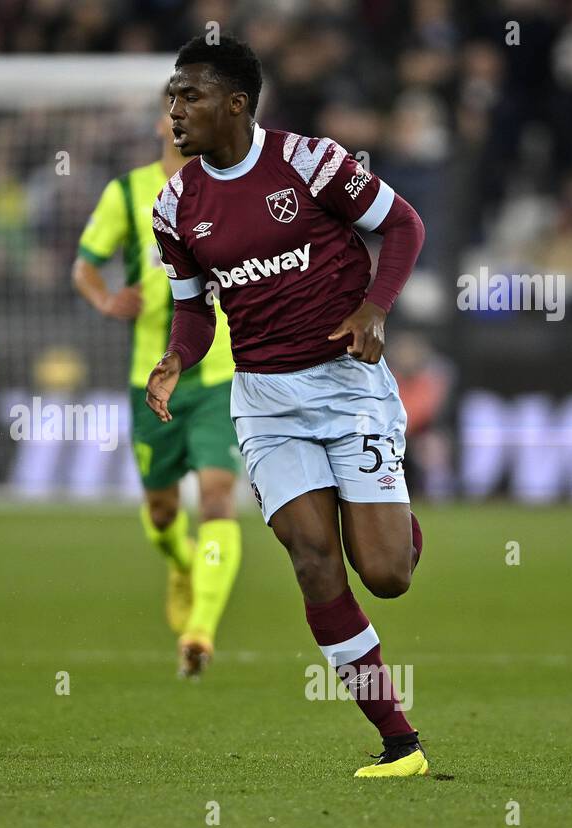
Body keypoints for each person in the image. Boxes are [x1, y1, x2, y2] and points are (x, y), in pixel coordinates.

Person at [146, 35, 429, 776]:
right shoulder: (177, 206)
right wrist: (178, 356)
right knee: (313, 561)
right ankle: (400, 743)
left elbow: (404, 226)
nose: (175, 111)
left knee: (387, 574)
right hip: (266, 401)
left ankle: (394, 523)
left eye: (190, 96)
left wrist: (375, 307)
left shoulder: (311, 163)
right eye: (171, 97)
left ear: (236, 104)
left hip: (347, 384)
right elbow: (194, 310)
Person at [73, 108, 242, 678]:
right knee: (163, 510)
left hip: (218, 373)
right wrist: (105, 300)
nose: (181, 124)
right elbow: (84, 266)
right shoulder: (127, 193)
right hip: (153, 374)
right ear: (157, 125)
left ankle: (201, 631)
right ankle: (181, 562)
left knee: (218, 498)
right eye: (173, 112)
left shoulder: (231, 189)